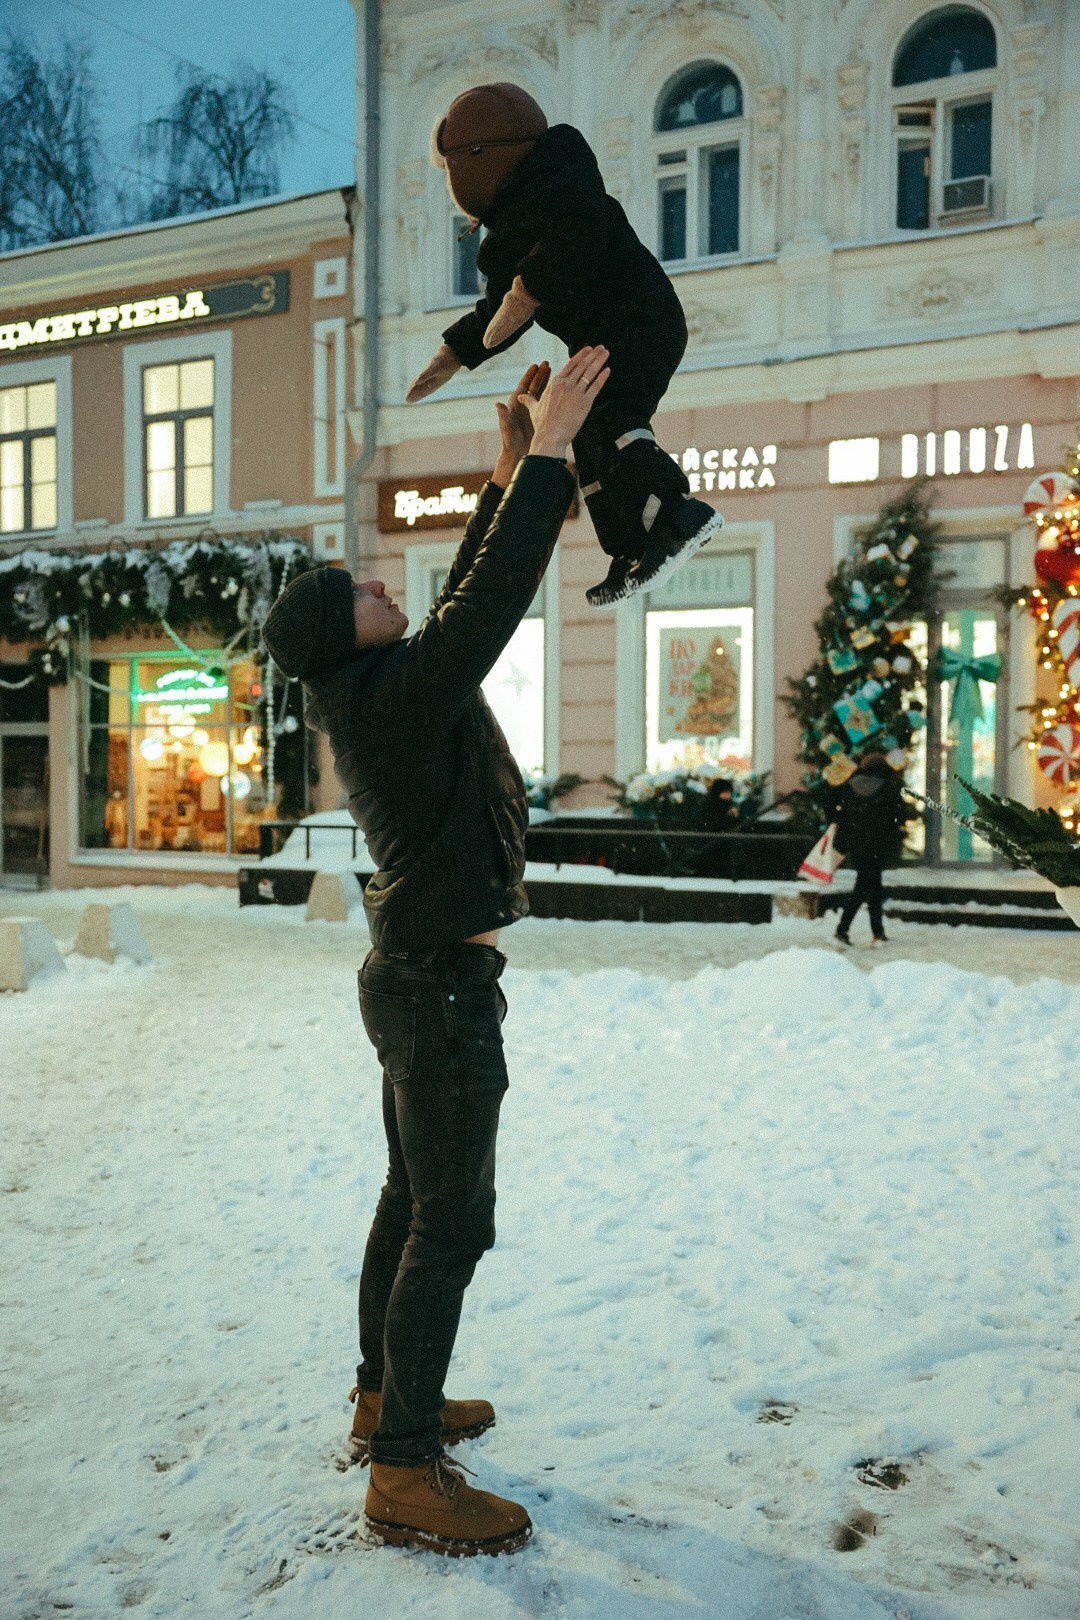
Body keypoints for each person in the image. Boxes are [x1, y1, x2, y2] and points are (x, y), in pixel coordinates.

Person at [260, 347, 609, 1558]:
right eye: (357, 585)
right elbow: (490, 604)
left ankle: (382, 1398)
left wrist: (510, 465)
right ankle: (405, 1468)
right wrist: (552, 462)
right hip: (439, 990)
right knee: (450, 1223)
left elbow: (460, 598)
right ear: (341, 632)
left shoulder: (378, 689)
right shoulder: (396, 694)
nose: (375, 582)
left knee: (413, 1201)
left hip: (421, 978)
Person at [406, 82, 724, 608]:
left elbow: (573, 244)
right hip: (598, 343)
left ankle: (679, 513)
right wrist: (454, 355)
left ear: (480, 157)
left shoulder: (566, 186)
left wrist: (528, 291)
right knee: (589, 443)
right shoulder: (507, 237)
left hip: (640, 323)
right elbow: (497, 311)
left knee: (616, 423)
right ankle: (629, 550)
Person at [831, 753, 912, 945]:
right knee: (865, 888)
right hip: (878, 846)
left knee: (871, 887)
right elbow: (898, 816)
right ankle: (845, 930)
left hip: (857, 846)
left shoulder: (849, 788)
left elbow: (839, 812)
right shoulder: (888, 789)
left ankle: (875, 932)